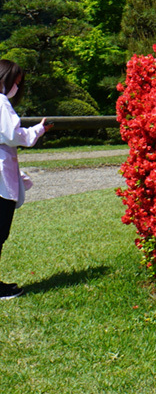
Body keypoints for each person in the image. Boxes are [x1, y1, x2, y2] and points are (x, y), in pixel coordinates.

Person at [0, 60, 50, 300]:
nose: (16, 89)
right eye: (15, 83)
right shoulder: (1, 103)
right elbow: (13, 135)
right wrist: (37, 130)